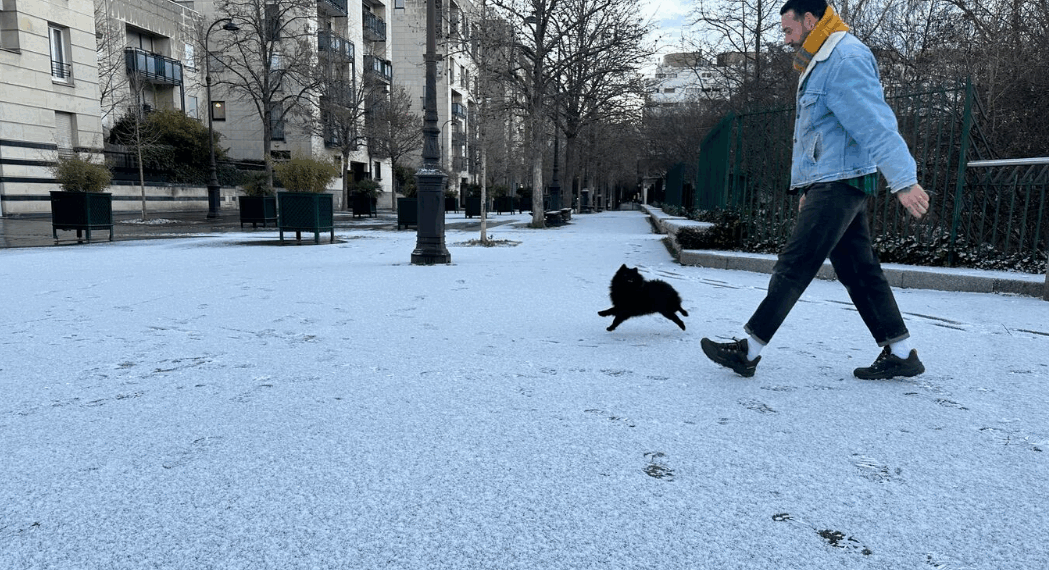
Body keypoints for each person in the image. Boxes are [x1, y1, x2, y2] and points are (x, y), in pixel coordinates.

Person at [700, 0, 931, 380]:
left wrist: (904, 181)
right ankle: (901, 353)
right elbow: (824, 132)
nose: (787, 39)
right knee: (859, 270)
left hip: (842, 180)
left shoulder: (844, 58)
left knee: (795, 263)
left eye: (789, 30)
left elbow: (874, 124)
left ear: (810, 21)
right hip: (835, 178)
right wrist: (810, 183)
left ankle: (749, 350)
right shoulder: (824, 58)